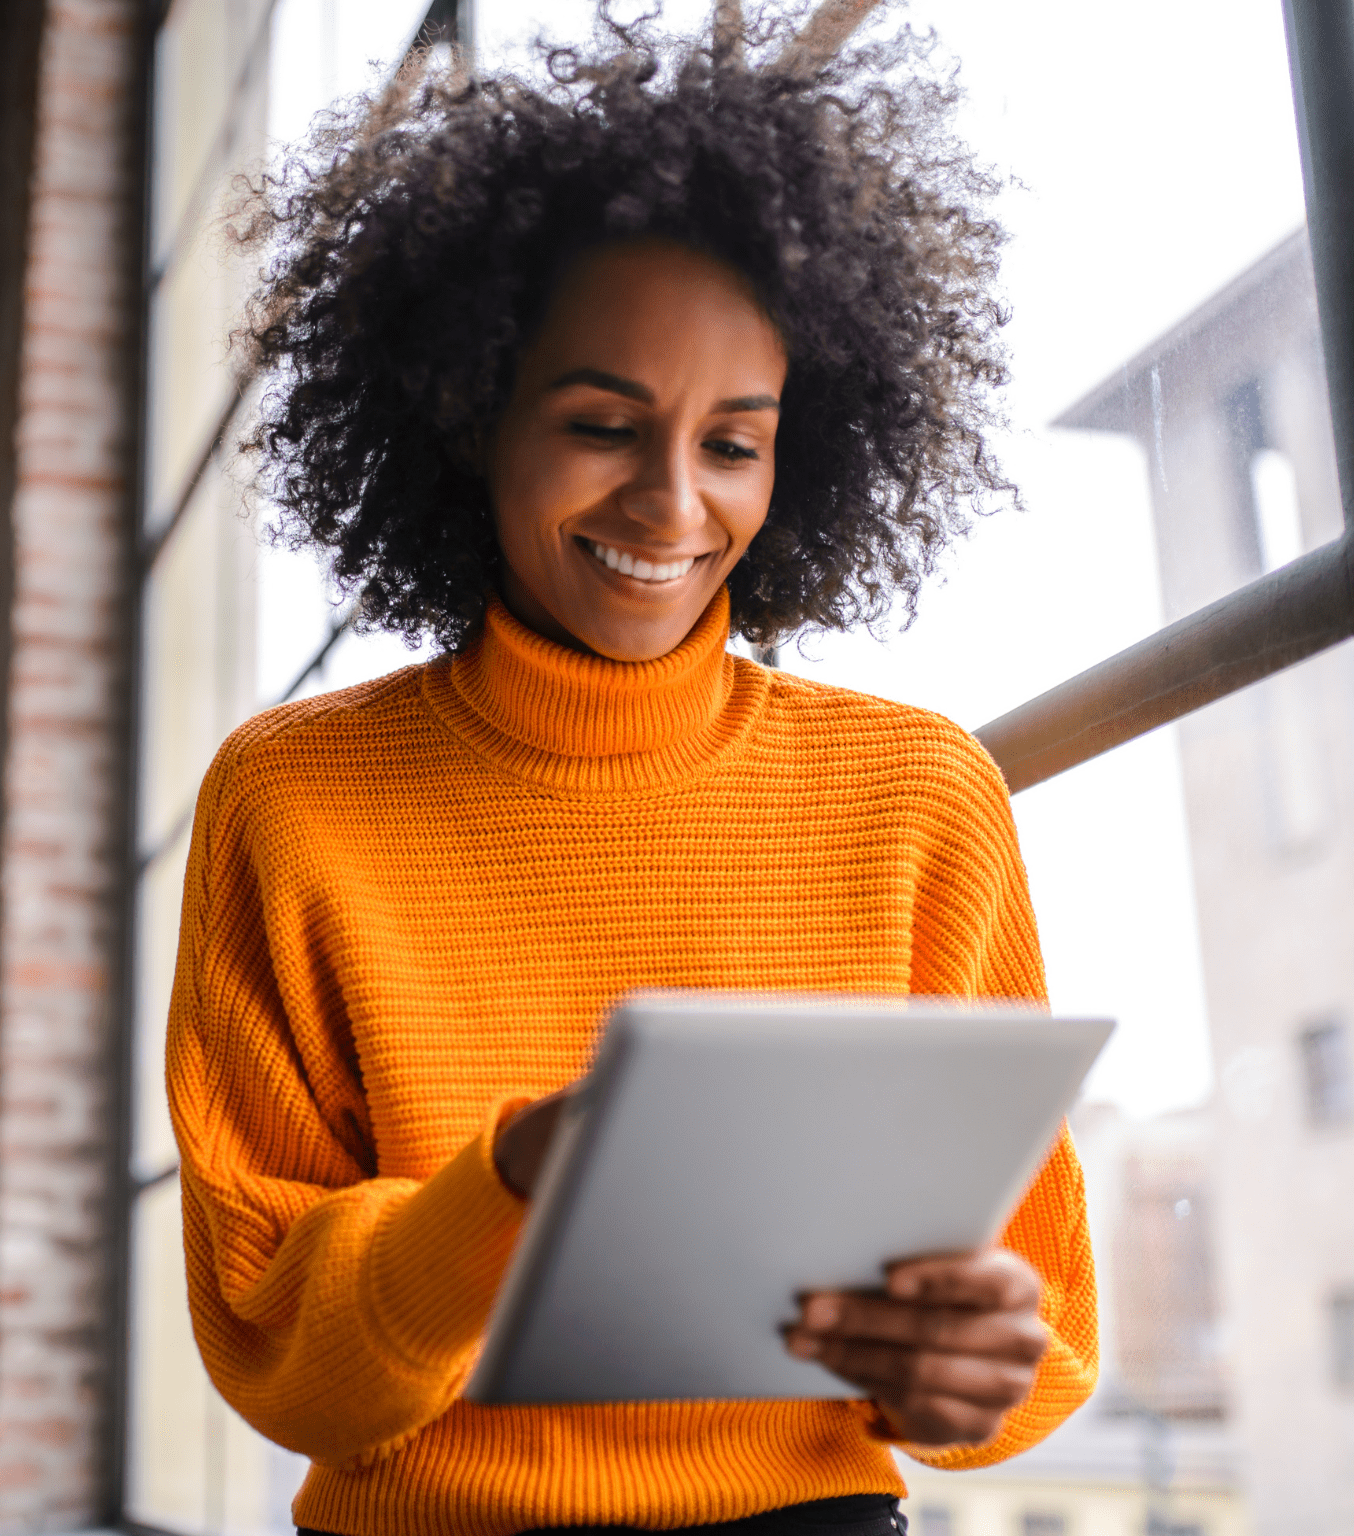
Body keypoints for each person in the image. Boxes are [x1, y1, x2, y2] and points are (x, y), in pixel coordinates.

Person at [164, 12, 1097, 1535]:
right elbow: (283, 1361)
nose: (672, 504)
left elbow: (1037, 1327)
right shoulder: (295, 797)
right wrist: (515, 1183)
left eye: (736, 442)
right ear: (469, 409)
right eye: (604, 424)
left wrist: (970, 1371)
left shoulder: (917, 795)